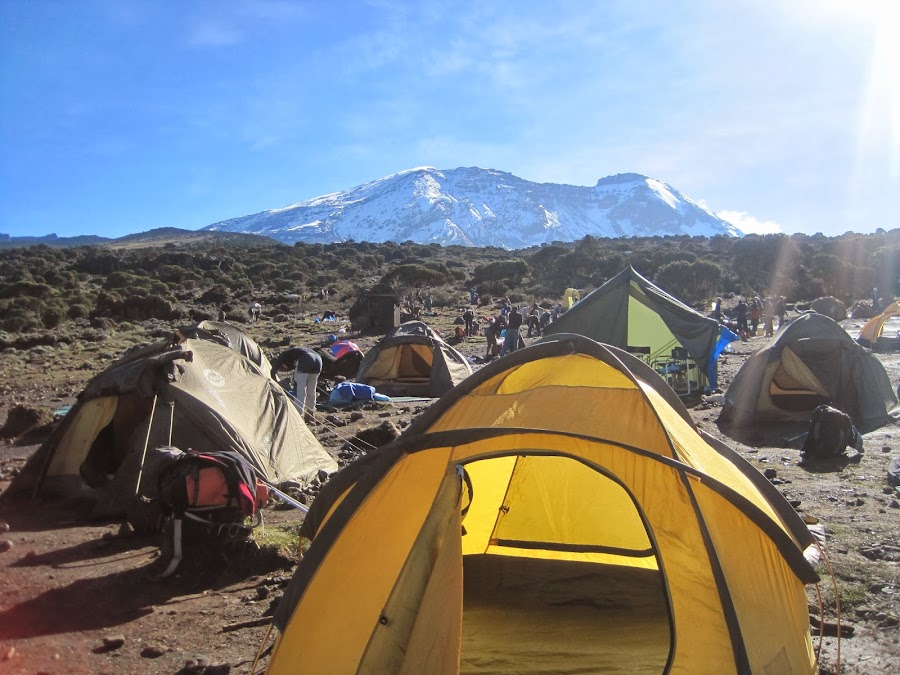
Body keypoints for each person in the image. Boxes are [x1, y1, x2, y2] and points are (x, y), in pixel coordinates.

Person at [293, 347, 323, 424]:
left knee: (300, 389)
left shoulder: (281, 358)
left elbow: (273, 372)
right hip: (318, 360)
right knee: (312, 389)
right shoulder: (295, 352)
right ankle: (310, 413)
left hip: (306, 359)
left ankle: (298, 415)